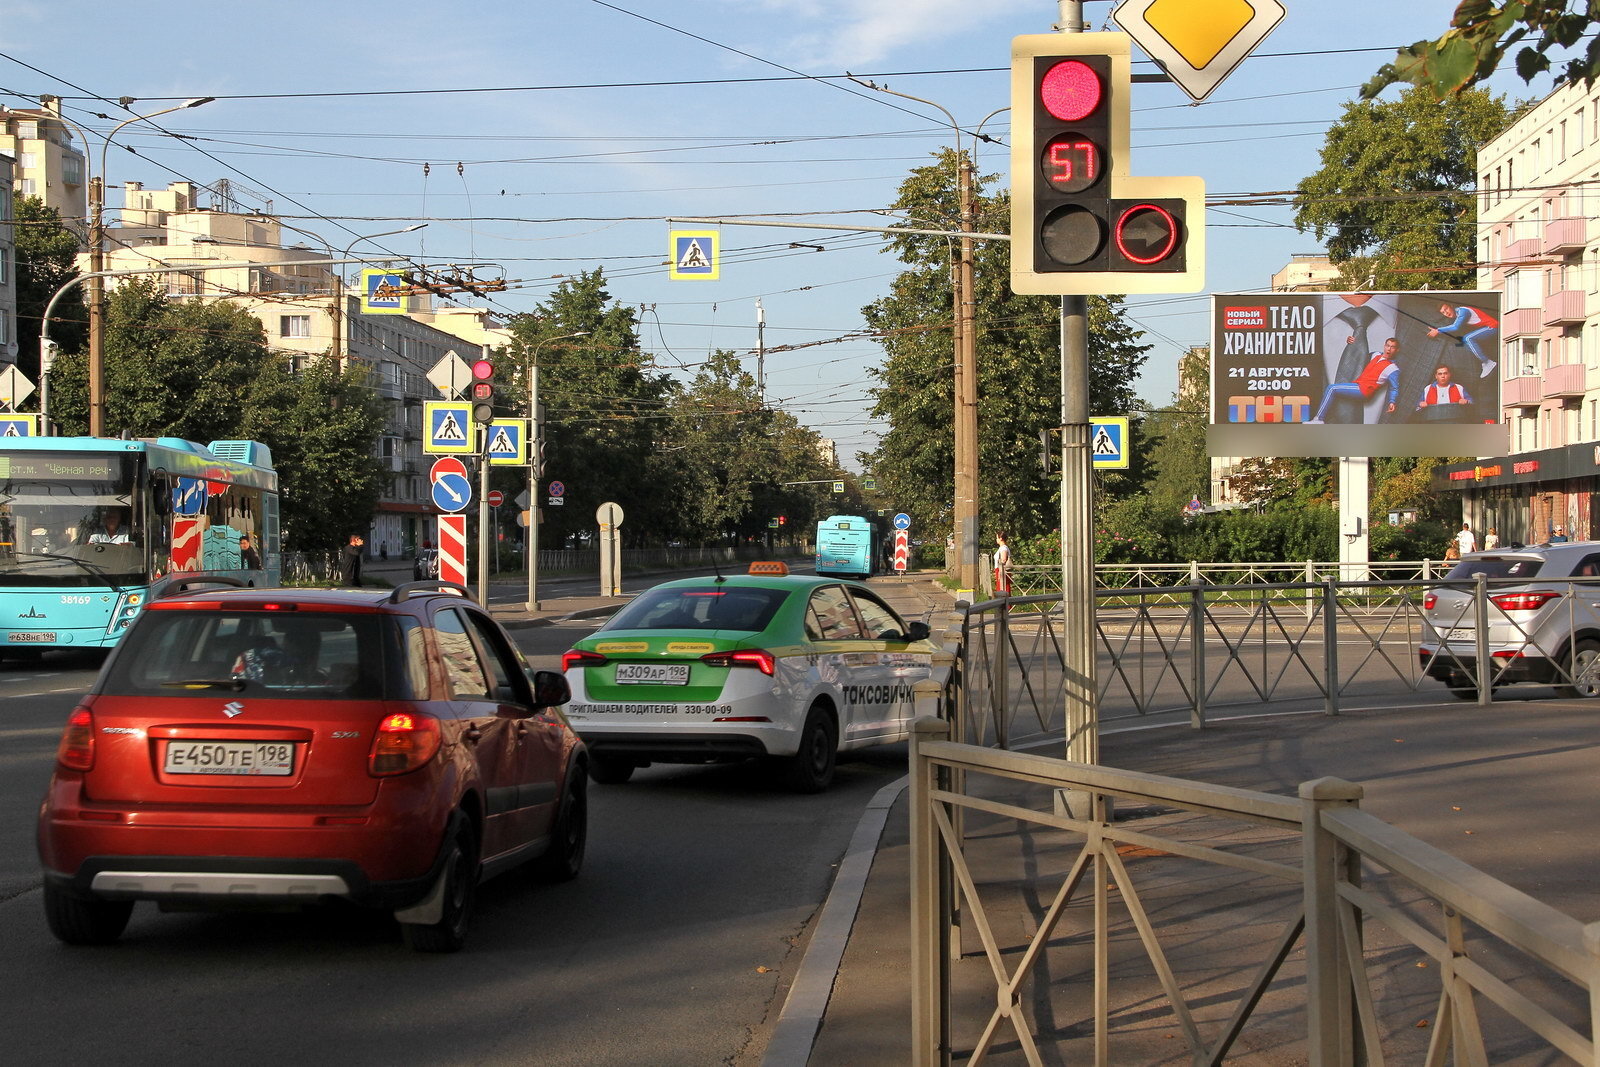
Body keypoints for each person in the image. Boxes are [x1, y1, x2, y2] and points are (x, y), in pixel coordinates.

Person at [1304, 338, 1402, 424]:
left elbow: (1394, 388)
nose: (1389, 349)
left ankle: (1318, 419)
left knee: (1332, 388)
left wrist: (1392, 402)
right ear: (1384, 346)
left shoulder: (1393, 368)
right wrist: (1351, 342)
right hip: (1358, 385)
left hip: (1364, 390)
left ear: (1397, 350)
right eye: (1387, 345)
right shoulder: (1376, 354)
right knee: (1333, 390)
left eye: (1392, 347)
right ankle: (1320, 419)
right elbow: (1360, 353)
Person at [1428, 302, 1499, 378]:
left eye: (1446, 309)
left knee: (1468, 339)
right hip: (1489, 327)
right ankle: (1486, 362)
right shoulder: (1458, 312)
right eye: (1443, 312)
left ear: (1451, 306)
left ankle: (1488, 362)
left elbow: (1455, 327)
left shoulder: (1463, 311)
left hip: (1494, 326)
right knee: (1465, 340)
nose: (1446, 313)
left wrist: (1438, 330)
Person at [993, 531, 1012, 597]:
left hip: (1002, 571)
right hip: (1000, 570)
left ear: (1001, 538)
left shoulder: (1003, 548)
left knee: (1003, 588)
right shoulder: (1002, 548)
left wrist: (999, 572)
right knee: (1001, 588)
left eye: (997, 538)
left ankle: (1005, 603)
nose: (996, 539)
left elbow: (1003, 560)